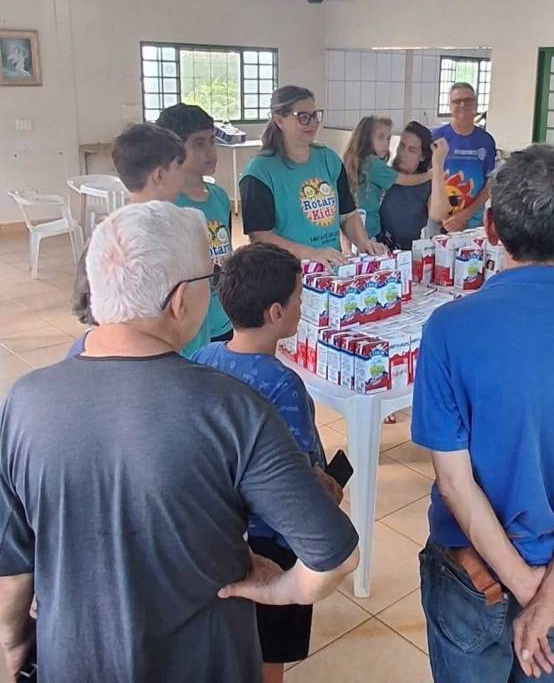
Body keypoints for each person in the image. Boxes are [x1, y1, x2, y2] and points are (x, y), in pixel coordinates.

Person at [0, 202, 359, 682]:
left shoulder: (23, 401)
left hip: (74, 661)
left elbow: (13, 565)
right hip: (208, 662)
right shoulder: (233, 409)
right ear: (179, 301)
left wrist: (15, 641)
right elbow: (334, 554)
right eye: (210, 277)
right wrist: (280, 590)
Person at [412, 145, 554, 682]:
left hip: (473, 573)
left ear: (490, 227)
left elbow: (455, 483)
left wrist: (523, 586)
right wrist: (545, 594)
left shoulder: (449, 328)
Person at [192, 243, 342, 683]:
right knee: (268, 652)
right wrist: (328, 488)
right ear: (276, 312)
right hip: (271, 543)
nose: (302, 305)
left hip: (216, 533)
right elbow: (295, 477)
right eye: (299, 297)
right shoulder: (283, 385)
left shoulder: (202, 360)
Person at [240, 86, 386, 267]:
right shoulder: (259, 172)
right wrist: (310, 253)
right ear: (279, 120)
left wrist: (364, 243)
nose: (313, 123)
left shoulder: (329, 159)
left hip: (329, 268)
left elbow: (347, 215)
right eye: (303, 117)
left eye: (315, 115)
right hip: (285, 271)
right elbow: (260, 236)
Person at [70, 121, 187, 341]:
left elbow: (82, 303)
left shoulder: (105, 233)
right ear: (159, 175)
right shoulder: (169, 234)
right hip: (156, 345)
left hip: (130, 344)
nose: (183, 176)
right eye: (178, 167)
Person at [156, 102, 234, 343]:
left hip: (222, 319)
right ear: (174, 150)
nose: (211, 151)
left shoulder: (220, 197)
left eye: (212, 141)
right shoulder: (165, 206)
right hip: (184, 329)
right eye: (199, 143)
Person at [342, 115, 432, 240]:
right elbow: (405, 180)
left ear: (423, 156)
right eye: (380, 138)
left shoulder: (365, 164)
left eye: (388, 138)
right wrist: (430, 174)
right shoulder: (372, 164)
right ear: (366, 139)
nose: (386, 144)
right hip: (368, 230)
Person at [431, 82, 496, 232]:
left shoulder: (486, 141)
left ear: (476, 104)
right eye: (457, 101)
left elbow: (490, 184)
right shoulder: (437, 136)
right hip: (439, 223)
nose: (462, 105)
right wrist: (445, 218)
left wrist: (465, 216)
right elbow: (429, 179)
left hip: (472, 222)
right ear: (450, 106)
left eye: (468, 100)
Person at [378, 122, 443, 251]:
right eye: (402, 146)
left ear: (422, 156)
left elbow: (439, 218)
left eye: (411, 150)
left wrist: (437, 169)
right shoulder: (384, 176)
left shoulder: (428, 185)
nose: (403, 153)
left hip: (413, 254)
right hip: (379, 251)